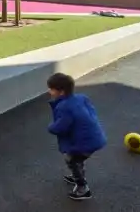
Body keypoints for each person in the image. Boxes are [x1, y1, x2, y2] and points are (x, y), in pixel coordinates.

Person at [47, 72, 107, 201]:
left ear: (61, 92)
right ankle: (77, 174)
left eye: (52, 89)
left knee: (72, 160)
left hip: (84, 143)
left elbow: (61, 127)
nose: (49, 91)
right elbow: (91, 112)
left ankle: (82, 188)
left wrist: (51, 127)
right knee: (77, 159)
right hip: (94, 137)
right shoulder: (81, 98)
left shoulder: (64, 107)